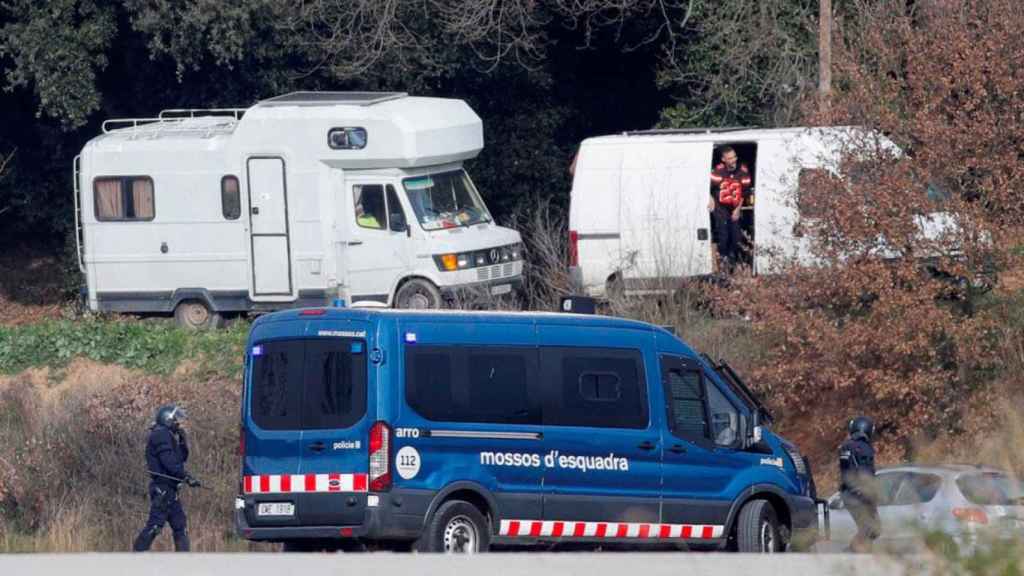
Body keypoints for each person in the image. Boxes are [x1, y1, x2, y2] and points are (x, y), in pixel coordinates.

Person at [133, 404, 201, 552]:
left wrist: (183, 440)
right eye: (176, 420)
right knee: (155, 525)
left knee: (180, 526)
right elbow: (169, 463)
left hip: (171, 490)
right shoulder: (160, 435)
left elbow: (180, 459)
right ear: (167, 420)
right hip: (162, 489)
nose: (179, 423)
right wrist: (186, 477)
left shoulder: (168, 435)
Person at [839, 416, 880, 553]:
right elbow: (866, 473)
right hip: (860, 493)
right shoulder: (864, 448)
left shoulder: (846, 446)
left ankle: (861, 555)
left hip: (849, 493)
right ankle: (850, 552)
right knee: (870, 529)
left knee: (869, 529)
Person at [708, 146, 752, 272]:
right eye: (730, 158)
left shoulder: (743, 171)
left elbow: (744, 193)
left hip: (735, 207)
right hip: (720, 208)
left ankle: (733, 264)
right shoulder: (718, 171)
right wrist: (710, 198)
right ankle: (723, 265)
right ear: (723, 159)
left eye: (734, 157)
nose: (733, 160)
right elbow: (707, 186)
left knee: (736, 237)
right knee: (723, 236)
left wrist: (738, 209)